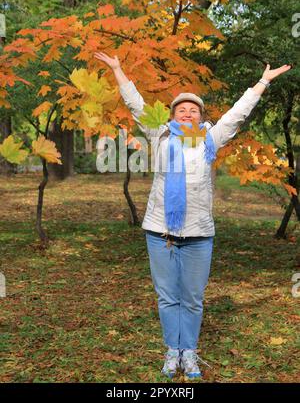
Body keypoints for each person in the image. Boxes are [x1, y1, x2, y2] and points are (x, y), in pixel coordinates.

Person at [94, 51, 291, 379]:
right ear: (172, 115)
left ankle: (191, 353)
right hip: (160, 232)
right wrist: (118, 70)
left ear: (200, 117)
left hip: (199, 233)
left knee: (193, 298)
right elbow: (136, 104)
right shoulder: (161, 134)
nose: (187, 112)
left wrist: (262, 83)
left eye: (193, 109)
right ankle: (173, 351)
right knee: (168, 297)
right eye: (181, 109)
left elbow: (236, 116)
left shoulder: (210, 140)